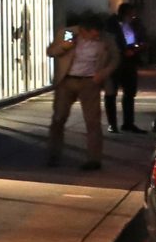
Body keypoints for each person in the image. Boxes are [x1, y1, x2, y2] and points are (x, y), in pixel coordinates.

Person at [45, 11, 116, 171]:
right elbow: (51, 52)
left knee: (93, 121)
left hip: (90, 81)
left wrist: (104, 73)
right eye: (93, 34)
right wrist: (64, 46)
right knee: (59, 118)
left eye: (98, 34)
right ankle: (54, 154)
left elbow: (115, 58)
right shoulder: (69, 33)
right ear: (83, 30)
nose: (96, 37)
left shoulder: (106, 38)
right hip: (67, 80)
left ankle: (94, 159)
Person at [105, 4, 143, 136]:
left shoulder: (134, 23)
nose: (133, 16)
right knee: (111, 93)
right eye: (131, 13)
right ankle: (112, 124)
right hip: (115, 61)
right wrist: (122, 50)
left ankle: (128, 123)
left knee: (130, 93)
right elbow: (110, 41)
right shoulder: (112, 23)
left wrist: (138, 47)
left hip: (130, 61)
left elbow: (140, 36)